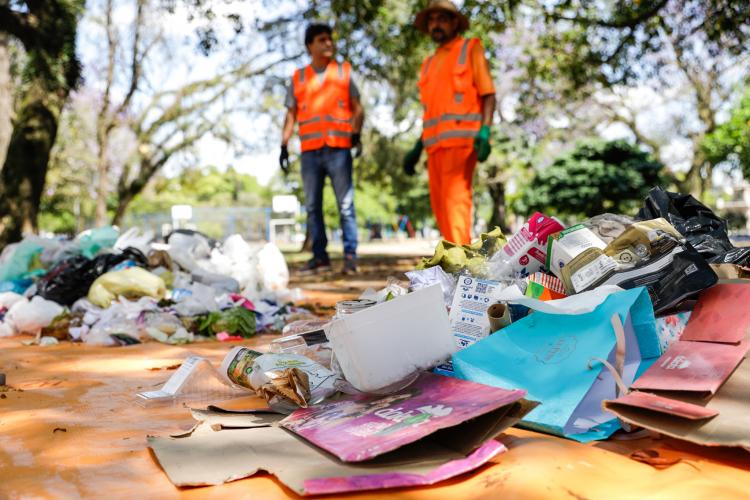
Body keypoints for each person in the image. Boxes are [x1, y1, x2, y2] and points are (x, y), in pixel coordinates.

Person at [402, 0, 496, 246]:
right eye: (432, 20)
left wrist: (485, 131)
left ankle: (462, 265)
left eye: (442, 18)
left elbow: (488, 93)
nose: (436, 24)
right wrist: (417, 148)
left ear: (455, 22)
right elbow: (431, 112)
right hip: (434, 148)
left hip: (463, 143)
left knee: (455, 204)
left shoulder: (470, 48)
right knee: (441, 207)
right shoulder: (428, 64)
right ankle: (454, 259)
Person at [280, 23, 365, 274]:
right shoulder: (298, 77)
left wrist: (356, 135)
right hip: (310, 151)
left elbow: (358, 108)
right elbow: (290, 115)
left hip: (339, 148)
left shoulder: (344, 72)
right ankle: (320, 258)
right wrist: (283, 145)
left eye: (330, 39)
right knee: (313, 207)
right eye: (321, 39)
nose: (328, 43)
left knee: (346, 205)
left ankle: (350, 257)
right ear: (310, 46)